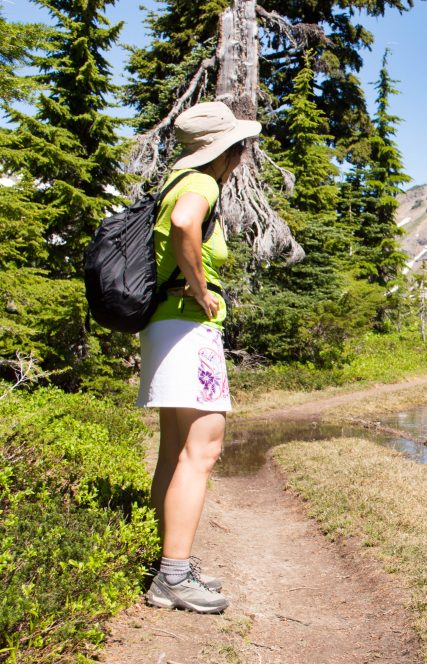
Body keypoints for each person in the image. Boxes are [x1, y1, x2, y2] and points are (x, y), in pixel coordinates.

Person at [139, 101, 260, 614]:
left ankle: (170, 561)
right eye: (240, 144)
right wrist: (201, 287)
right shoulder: (201, 183)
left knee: (174, 452)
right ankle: (172, 577)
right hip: (190, 330)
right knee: (203, 450)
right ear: (224, 150)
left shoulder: (170, 180)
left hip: (162, 327)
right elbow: (188, 224)